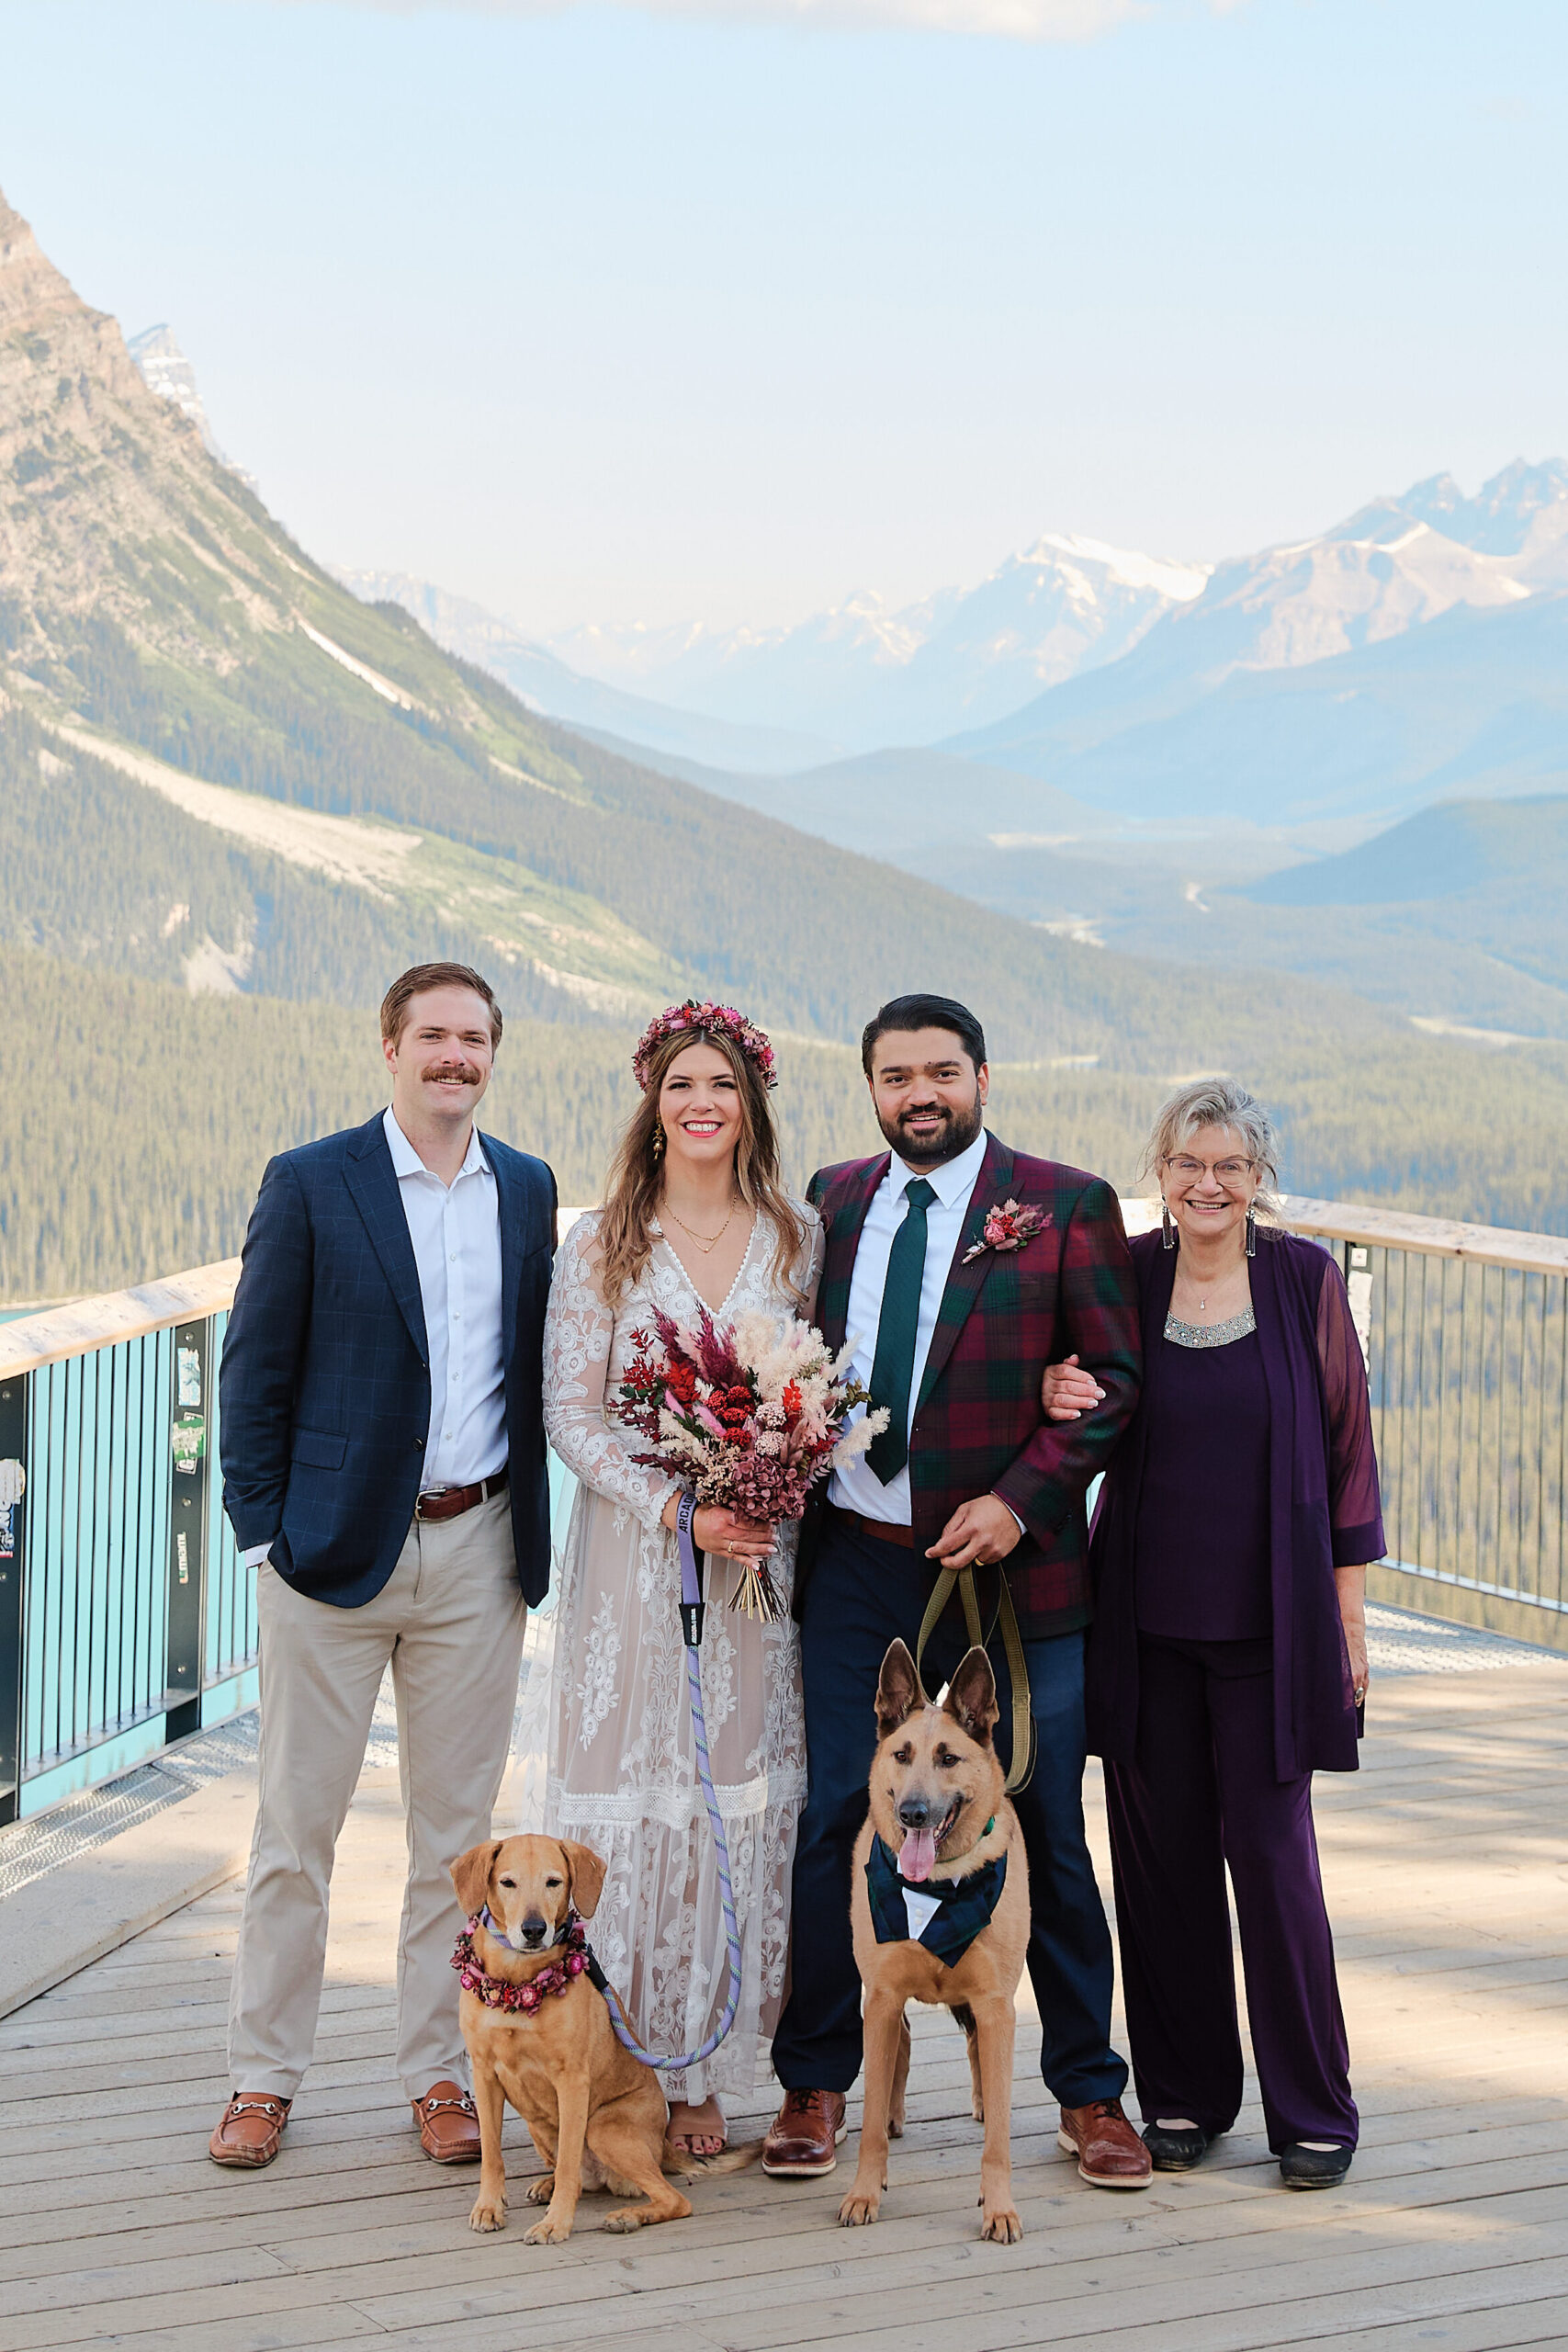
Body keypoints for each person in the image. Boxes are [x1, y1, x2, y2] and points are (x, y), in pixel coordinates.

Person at [762, 992, 1151, 2188]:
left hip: (1011, 1576)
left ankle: (1089, 2094)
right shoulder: (831, 1199)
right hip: (856, 1563)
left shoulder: (1061, 1204)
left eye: (939, 1072)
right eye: (894, 1076)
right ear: (869, 1087)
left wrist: (1019, 1497)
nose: (917, 1094)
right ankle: (814, 2084)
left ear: (980, 1077)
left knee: (1039, 1826)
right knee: (837, 1813)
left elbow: (1115, 1382)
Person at [211, 962, 557, 2170]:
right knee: (293, 1836)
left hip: (479, 1550)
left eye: (473, 1039)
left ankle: (439, 2080)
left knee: (454, 1846)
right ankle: (264, 2078)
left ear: (490, 1054)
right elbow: (252, 1373)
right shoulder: (311, 1183)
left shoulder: (526, 1189)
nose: (453, 1057)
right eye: (433, 1037)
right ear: (390, 1048)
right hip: (330, 1559)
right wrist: (266, 1537)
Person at [1046, 1078, 1382, 2190]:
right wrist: (1057, 1386)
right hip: (1143, 1626)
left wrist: (1349, 1623)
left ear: (1259, 1178)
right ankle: (1183, 2098)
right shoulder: (1128, 1274)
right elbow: (1077, 1389)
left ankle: (1313, 2110)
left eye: (1231, 1165)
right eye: (1190, 1162)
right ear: (1162, 1170)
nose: (1209, 1182)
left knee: (1276, 1870)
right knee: (1161, 1870)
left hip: (1271, 1633)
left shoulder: (1302, 1281)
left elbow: (1346, 1457)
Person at [540, 1001, 821, 2157]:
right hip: (635, 1560)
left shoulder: (797, 1236)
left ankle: (705, 2073)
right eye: (678, 1085)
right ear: (652, 1105)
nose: (700, 1103)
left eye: (721, 1084)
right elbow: (570, 1408)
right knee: (637, 1788)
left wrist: (767, 1478)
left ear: (750, 1101)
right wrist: (677, 1506)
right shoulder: (605, 1242)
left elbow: (820, 1384)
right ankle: (620, 2070)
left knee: (734, 1795)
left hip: (754, 1563)